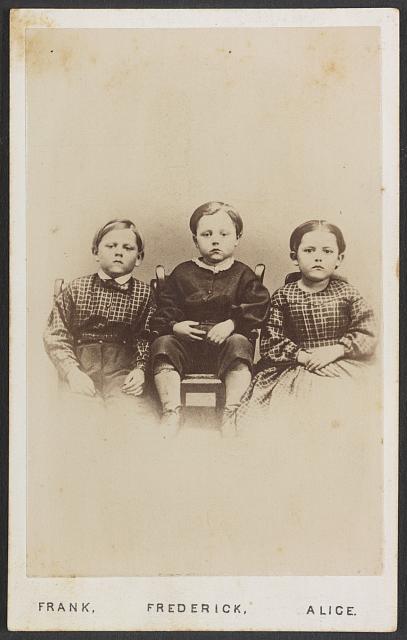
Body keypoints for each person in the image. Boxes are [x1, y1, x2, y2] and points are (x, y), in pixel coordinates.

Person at [236, 219, 377, 426]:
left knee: (351, 401)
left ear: (339, 258)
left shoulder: (348, 294)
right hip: (295, 365)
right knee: (286, 412)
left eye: (327, 251)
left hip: (340, 361)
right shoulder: (283, 296)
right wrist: (301, 356)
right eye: (309, 250)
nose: (318, 257)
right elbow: (270, 341)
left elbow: (368, 332)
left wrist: (336, 350)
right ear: (295, 257)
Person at [150, 201, 270, 436]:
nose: (215, 240)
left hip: (225, 349)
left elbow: (258, 305)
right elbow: (166, 306)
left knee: (240, 342)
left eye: (224, 234)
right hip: (187, 348)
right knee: (162, 344)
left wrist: (232, 323)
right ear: (196, 240)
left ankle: (231, 413)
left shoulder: (243, 274)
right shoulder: (183, 272)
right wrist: (176, 326)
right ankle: (171, 410)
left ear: (237, 237)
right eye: (207, 234)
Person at [44, 218, 156, 424]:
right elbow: (56, 334)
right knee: (80, 420)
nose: (118, 252)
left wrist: (140, 370)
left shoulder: (145, 294)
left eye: (127, 247)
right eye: (111, 246)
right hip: (82, 367)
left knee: (134, 419)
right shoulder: (76, 288)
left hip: (123, 371)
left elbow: (146, 337)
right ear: (96, 252)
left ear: (139, 257)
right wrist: (71, 372)